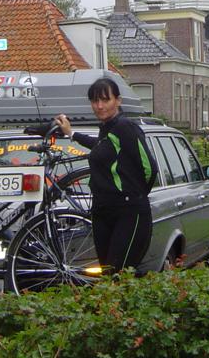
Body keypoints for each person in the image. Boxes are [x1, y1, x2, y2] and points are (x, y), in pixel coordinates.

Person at [54, 77, 158, 274]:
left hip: (128, 212)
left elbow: (150, 168)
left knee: (118, 274)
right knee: (107, 274)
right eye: (95, 101)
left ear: (118, 101)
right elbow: (101, 148)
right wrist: (71, 134)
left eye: (105, 100)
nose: (100, 106)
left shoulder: (125, 127)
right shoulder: (107, 130)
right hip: (102, 210)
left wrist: (135, 196)